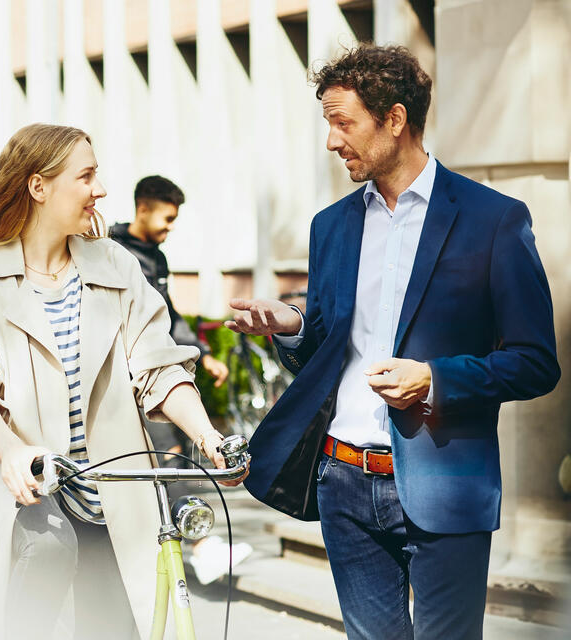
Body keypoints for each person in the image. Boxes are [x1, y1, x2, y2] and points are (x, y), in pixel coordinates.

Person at [227, 45, 559, 639]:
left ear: (395, 119)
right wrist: (292, 325)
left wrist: (434, 378)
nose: (331, 141)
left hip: (444, 485)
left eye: (343, 123)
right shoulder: (331, 225)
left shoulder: (494, 220)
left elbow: (535, 362)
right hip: (342, 482)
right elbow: (330, 345)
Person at [0, 123, 245, 640]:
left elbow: (158, 365)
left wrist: (209, 437)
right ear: (38, 186)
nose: (101, 189)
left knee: (119, 627)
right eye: (86, 176)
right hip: (28, 498)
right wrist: (11, 450)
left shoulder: (114, 264)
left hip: (112, 499)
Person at [110, 175, 248, 585]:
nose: (170, 228)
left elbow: (167, 315)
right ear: (143, 209)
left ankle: (194, 547)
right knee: (166, 461)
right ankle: (201, 548)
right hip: (130, 380)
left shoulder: (157, 257)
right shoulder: (113, 252)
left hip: (159, 374)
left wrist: (202, 353)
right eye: (167, 219)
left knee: (168, 461)